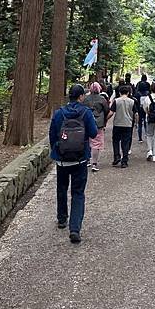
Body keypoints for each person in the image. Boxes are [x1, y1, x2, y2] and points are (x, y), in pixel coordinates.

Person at [49, 84, 97, 244]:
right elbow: (93, 133)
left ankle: (62, 219)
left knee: (61, 188)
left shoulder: (59, 113)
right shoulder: (86, 113)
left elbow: (52, 134)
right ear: (81, 96)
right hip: (80, 158)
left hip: (62, 159)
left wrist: (57, 149)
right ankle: (74, 228)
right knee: (78, 193)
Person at [83, 82, 112, 172]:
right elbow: (107, 110)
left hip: (86, 122)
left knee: (87, 141)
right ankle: (94, 164)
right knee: (96, 143)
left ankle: (87, 160)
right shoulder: (102, 99)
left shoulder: (86, 99)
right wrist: (104, 120)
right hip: (98, 123)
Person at [110, 85, 138, 168]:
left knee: (115, 141)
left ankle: (116, 157)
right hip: (128, 124)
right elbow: (136, 114)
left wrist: (105, 120)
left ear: (119, 93)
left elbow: (111, 113)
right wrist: (136, 123)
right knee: (125, 142)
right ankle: (124, 161)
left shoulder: (116, 101)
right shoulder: (132, 101)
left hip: (117, 124)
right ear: (128, 93)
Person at [135, 73, 150, 142]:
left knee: (140, 124)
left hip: (139, 109)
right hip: (146, 109)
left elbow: (135, 102)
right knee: (146, 123)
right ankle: (147, 135)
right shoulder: (148, 93)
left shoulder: (137, 94)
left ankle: (140, 138)